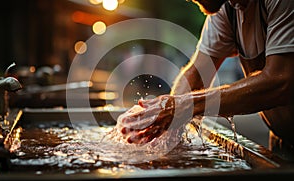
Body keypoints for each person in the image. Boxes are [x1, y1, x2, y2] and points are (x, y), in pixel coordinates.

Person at [119, 0, 294, 160]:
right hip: (281, 139)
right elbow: (197, 73)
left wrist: (183, 106)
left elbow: (281, 82)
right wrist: (169, 132)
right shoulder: (227, 9)